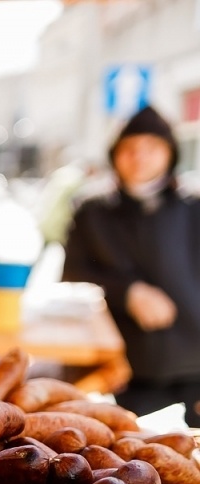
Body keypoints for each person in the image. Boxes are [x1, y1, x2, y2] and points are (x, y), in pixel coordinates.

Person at [63, 106, 200, 417]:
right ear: (115, 154)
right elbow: (71, 279)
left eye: (151, 148)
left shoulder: (195, 208)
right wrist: (128, 292)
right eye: (129, 148)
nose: (139, 157)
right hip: (123, 372)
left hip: (194, 368)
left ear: (170, 153)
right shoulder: (92, 211)